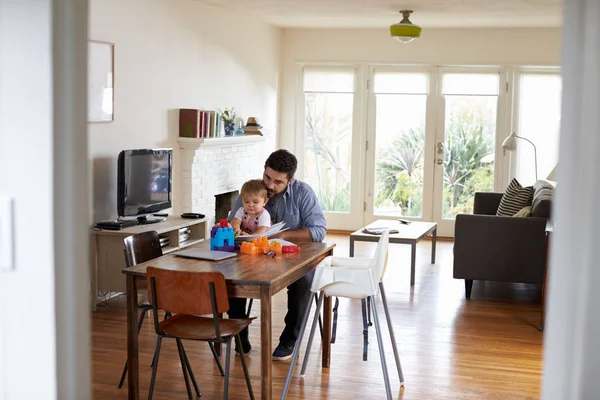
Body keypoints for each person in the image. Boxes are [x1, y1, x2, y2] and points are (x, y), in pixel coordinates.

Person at [227, 149, 327, 360]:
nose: (270, 186)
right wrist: (234, 229)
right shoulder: (252, 191)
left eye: (278, 182)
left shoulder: (303, 193)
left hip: (292, 257)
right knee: (230, 278)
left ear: (290, 181)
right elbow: (233, 219)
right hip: (253, 256)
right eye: (267, 177)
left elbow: (318, 230)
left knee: (304, 281)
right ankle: (240, 337)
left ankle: (289, 339)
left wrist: (284, 235)